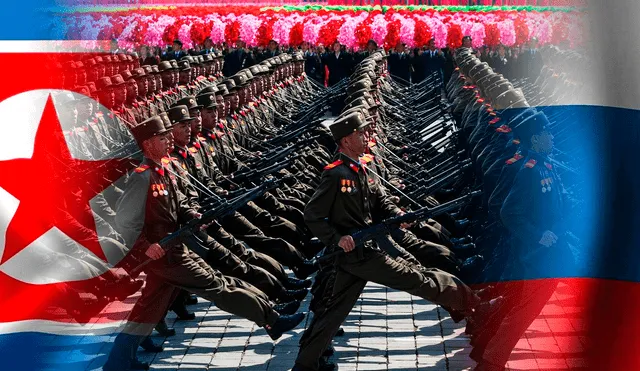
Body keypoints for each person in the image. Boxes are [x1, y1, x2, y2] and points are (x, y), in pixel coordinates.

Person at [102, 115, 305, 371]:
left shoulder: (165, 170)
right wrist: (145, 247)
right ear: (147, 145)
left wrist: (193, 216)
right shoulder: (142, 177)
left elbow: (180, 205)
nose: (167, 142)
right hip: (165, 255)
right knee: (217, 286)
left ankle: (118, 361)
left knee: (148, 308)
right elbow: (124, 223)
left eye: (167, 136)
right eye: (161, 138)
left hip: (176, 247)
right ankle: (272, 320)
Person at [293, 112, 482, 371]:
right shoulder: (336, 175)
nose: (365, 136)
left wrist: (398, 216)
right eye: (360, 133)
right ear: (346, 141)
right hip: (356, 254)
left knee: (332, 313)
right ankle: (476, 305)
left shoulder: (363, 168)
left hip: (367, 248)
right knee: (416, 279)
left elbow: (381, 201)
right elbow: (312, 215)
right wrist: (338, 239)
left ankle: (306, 365)